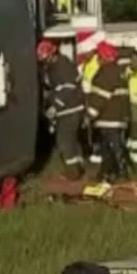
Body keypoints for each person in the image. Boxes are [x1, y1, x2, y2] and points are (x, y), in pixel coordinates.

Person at [37, 39, 87, 179]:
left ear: (52, 55)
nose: (44, 62)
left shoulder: (62, 66)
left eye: (45, 59)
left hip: (70, 109)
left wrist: (55, 106)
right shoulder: (56, 66)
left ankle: (72, 172)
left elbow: (68, 88)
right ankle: (78, 168)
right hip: (70, 108)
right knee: (71, 140)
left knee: (64, 140)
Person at [86, 41, 131, 182]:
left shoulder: (105, 74)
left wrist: (89, 116)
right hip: (119, 117)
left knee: (113, 146)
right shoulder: (119, 72)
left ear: (103, 57)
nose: (97, 59)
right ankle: (104, 174)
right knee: (107, 148)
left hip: (108, 118)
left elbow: (99, 99)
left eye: (98, 56)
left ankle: (123, 175)